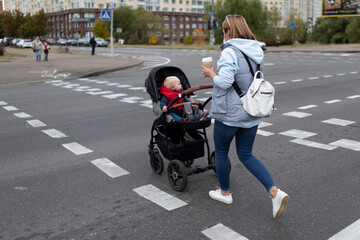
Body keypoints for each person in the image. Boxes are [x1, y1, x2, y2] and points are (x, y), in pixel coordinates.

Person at [201, 15, 288, 219]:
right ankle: (275, 192)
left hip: (230, 114)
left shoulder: (230, 51)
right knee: (247, 155)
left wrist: (210, 73)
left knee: (221, 153)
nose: (224, 35)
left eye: (224, 31)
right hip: (251, 112)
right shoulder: (256, 51)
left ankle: (225, 193)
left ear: (229, 32)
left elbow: (224, 82)